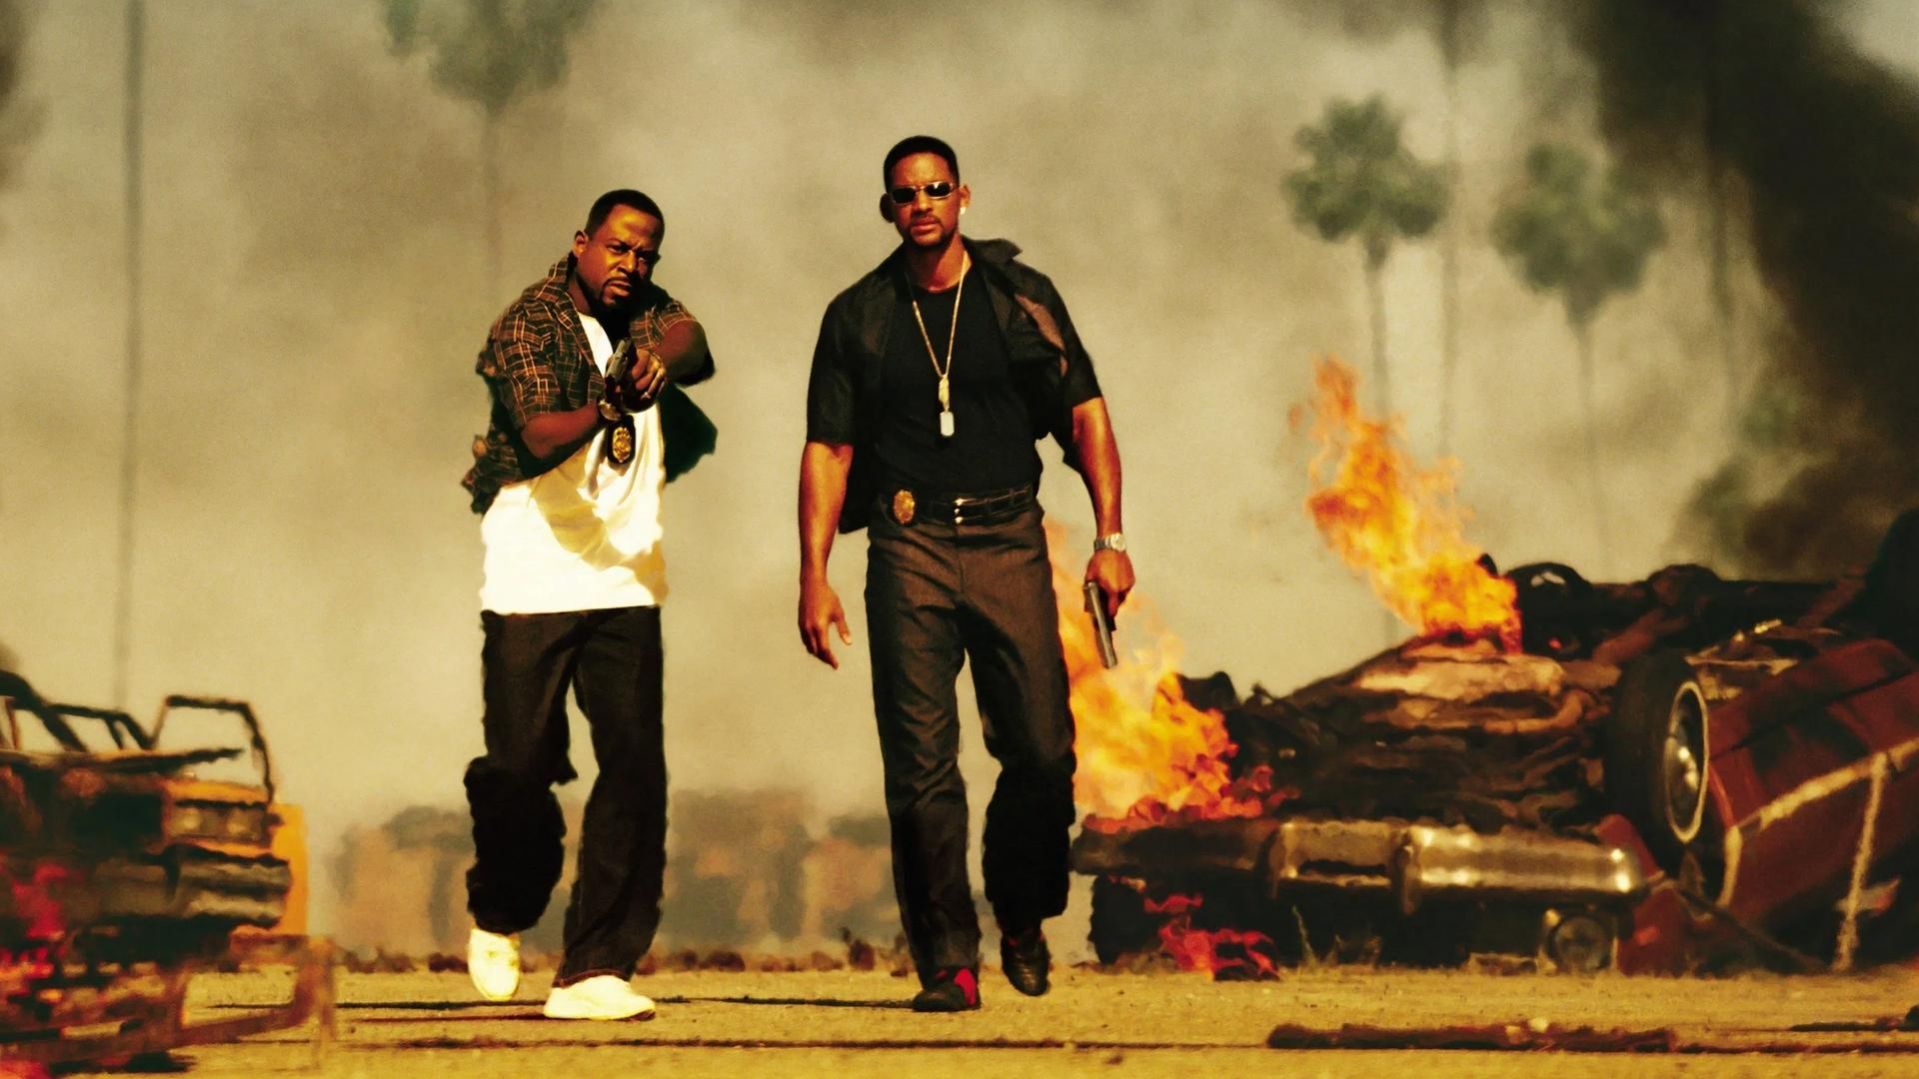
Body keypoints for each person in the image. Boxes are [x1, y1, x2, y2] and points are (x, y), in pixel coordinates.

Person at [797, 136, 1135, 1012]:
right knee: (920, 770)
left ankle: (1021, 911)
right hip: (907, 544)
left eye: (936, 188)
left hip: (1007, 537)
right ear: (887, 208)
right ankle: (947, 959)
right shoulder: (859, 315)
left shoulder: (1020, 297)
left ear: (963, 197)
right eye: (905, 193)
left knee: (1042, 751)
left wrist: (1110, 536)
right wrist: (813, 573)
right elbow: (828, 449)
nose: (922, 204)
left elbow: (1087, 415)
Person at [459, 188, 714, 1021]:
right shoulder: (528, 322)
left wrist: (661, 358)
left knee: (634, 767)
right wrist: (609, 404)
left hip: (624, 578)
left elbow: (693, 340)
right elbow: (538, 433)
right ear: (581, 243)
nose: (629, 264)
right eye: (616, 248)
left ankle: (595, 965)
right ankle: (502, 906)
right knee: (517, 768)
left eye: (644, 253)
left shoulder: (645, 310)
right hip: (533, 572)